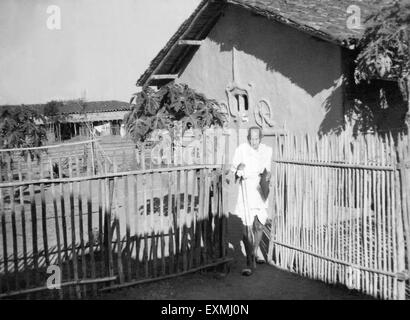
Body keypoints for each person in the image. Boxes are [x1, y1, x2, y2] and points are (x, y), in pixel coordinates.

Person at [231, 126, 272, 276]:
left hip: (260, 189)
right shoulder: (241, 149)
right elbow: (235, 167)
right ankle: (248, 262)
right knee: (247, 227)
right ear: (248, 138)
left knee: (260, 225)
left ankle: (255, 252)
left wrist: (268, 176)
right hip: (247, 190)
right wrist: (239, 170)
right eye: (251, 138)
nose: (254, 141)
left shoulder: (266, 150)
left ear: (260, 138)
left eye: (257, 138)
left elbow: (268, 171)